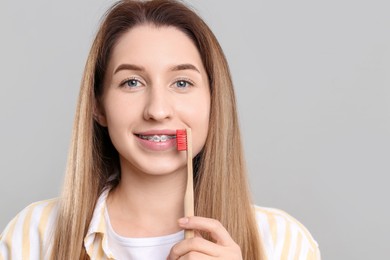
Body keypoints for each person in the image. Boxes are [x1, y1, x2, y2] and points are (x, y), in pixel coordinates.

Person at [0, 0, 320, 259]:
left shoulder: (283, 244)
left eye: (182, 83)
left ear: (214, 102)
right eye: (132, 82)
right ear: (98, 106)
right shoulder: (36, 235)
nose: (157, 110)